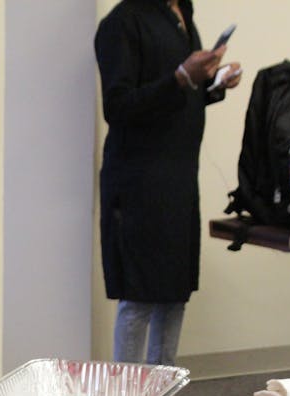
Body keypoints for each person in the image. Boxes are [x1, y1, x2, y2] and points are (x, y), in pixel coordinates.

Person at [95, 0, 240, 365]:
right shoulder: (124, 22)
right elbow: (119, 106)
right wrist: (179, 77)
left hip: (178, 179)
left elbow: (178, 98)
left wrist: (211, 84)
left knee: (174, 295)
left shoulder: (181, 15)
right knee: (140, 297)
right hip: (139, 181)